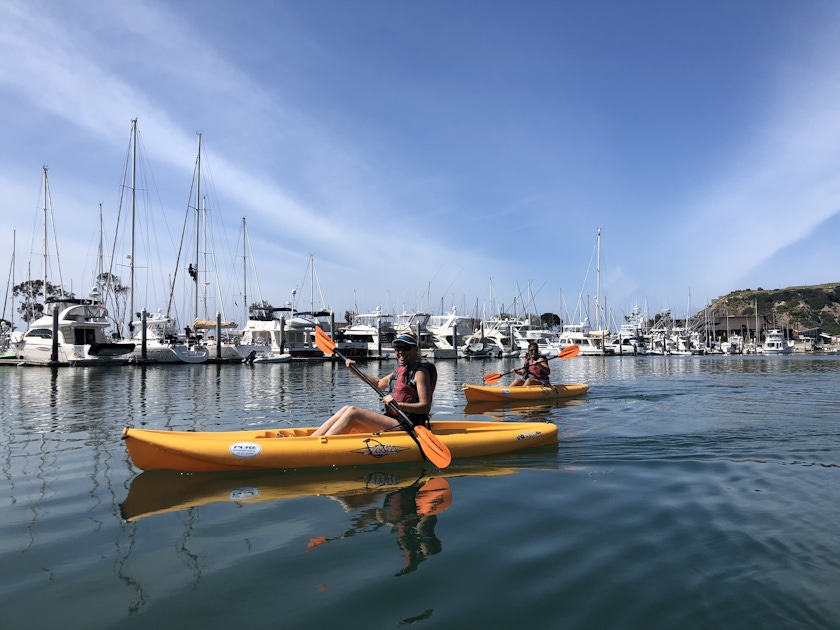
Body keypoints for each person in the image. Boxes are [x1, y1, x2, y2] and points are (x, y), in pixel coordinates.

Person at [313, 333, 435, 436]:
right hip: (393, 420)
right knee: (345, 409)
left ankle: (319, 447)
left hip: (407, 425)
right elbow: (377, 383)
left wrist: (399, 405)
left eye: (406, 348)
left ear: (415, 350)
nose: (401, 352)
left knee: (353, 412)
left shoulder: (420, 373)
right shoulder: (399, 371)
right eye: (397, 348)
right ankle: (313, 439)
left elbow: (425, 407)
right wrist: (354, 371)